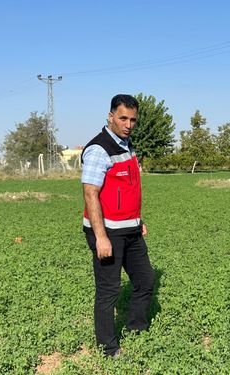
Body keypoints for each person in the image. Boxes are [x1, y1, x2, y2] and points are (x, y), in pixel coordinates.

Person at [81, 94, 155, 358]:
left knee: (145, 279)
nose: (128, 124)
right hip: (108, 232)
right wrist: (101, 237)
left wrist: (138, 220)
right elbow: (91, 193)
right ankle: (108, 347)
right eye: (123, 118)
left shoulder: (128, 145)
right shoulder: (99, 149)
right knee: (108, 290)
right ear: (110, 116)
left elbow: (127, 189)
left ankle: (136, 328)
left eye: (133, 119)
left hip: (130, 229)